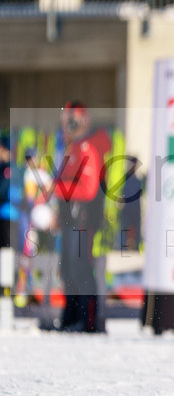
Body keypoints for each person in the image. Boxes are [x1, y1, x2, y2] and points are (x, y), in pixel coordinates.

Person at [49, 102, 105, 332]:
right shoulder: (73, 148)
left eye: (69, 120)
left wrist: (56, 189)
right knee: (69, 270)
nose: (65, 126)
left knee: (80, 270)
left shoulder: (87, 148)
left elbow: (88, 190)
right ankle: (70, 318)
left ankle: (86, 320)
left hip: (83, 221)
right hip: (70, 220)